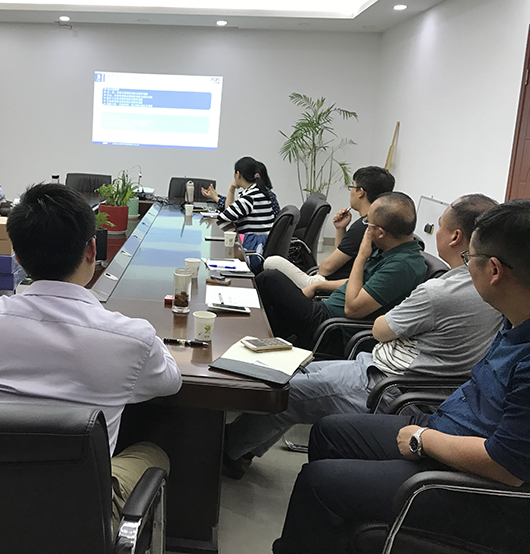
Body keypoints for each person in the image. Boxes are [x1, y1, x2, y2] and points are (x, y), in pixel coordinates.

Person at [272, 199, 530, 554]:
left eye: (469, 259)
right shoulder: (512, 318)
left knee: (318, 483)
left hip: (475, 485)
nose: (466, 267)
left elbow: (505, 466)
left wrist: (423, 440)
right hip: (446, 428)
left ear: (495, 270)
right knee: (329, 432)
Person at [0, 183, 182, 531]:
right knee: (154, 453)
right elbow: (170, 382)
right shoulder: (129, 337)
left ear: (17, 257)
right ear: (92, 250)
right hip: (76, 516)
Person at [223, 194, 502, 478]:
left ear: (455, 237)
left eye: (439, 225)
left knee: (287, 391)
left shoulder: (439, 290)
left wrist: (361, 258)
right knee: (289, 372)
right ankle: (238, 448)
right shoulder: (491, 289)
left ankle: (226, 451)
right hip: (376, 363)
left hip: (385, 381)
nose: (435, 231)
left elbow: (379, 328)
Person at [257, 192, 426, 351]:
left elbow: (352, 310)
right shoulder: (391, 249)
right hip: (324, 311)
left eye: (368, 224)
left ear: (380, 233)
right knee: (273, 308)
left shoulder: (402, 266)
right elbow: (359, 284)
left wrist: (361, 256)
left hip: (333, 328)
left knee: (270, 279)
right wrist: (318, 286)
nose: (366, 228)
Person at [263, 166, 395, 287]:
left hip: (329, 284)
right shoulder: (379, 223)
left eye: (352, 187)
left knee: (271, 262)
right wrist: (340, 229)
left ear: (360, 192)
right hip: (342, 281)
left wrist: (321, 271)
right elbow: (342, 253)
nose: (351, 192)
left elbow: (326, 269)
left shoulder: (363, 226)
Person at [201, 157, 280, 253]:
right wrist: (231, 189)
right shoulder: (260, 192)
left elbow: (224, 216)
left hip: (253, 247)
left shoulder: (249, 198)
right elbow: (230, 210)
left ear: (238, 174)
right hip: (262, 245)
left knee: (223, 251)